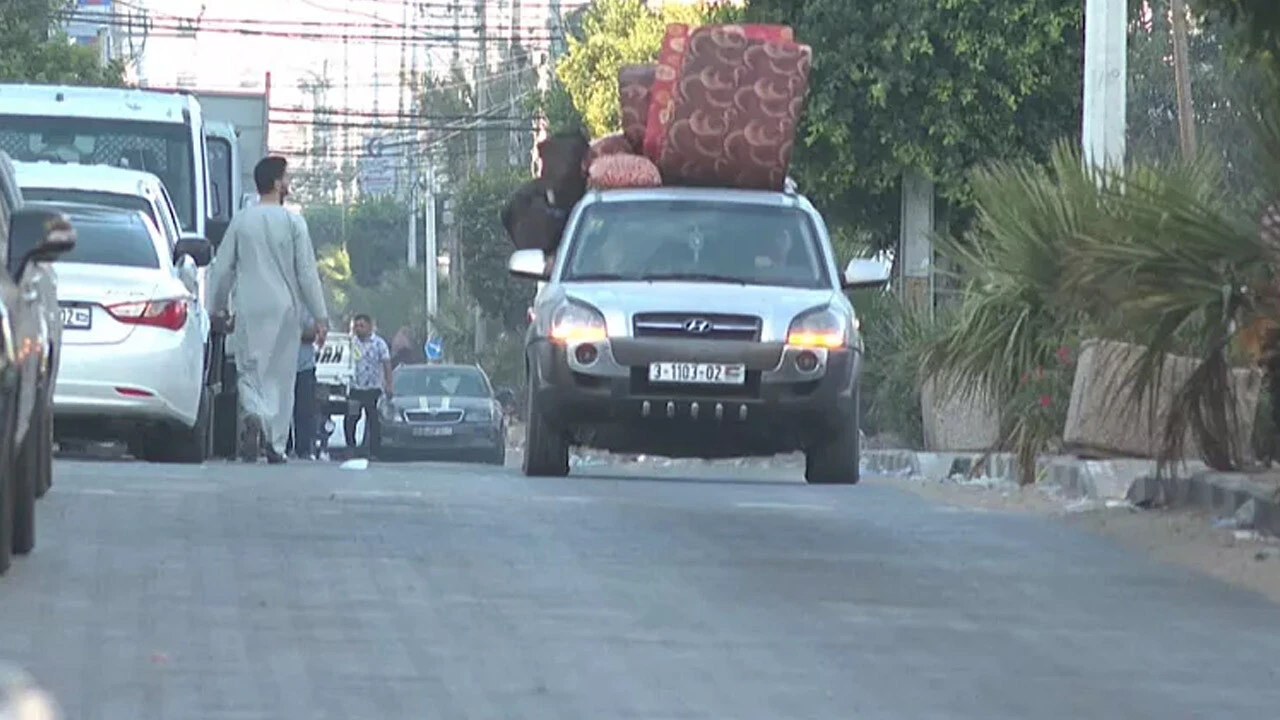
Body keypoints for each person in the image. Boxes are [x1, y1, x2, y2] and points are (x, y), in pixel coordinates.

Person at [207, 155, 329, 464]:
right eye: (287, 177)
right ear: (276, 183)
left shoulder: (242, 220)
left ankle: (254, 416)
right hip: (285, 309)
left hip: (250, 305)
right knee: (281, 376)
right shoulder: (293, 222)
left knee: (249, 370)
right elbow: (306, 273)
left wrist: (216, 307)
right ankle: (275, 444)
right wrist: (320, 316)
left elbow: (222, 269)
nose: (289, 183)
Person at [345, 314, 393, 459]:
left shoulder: (379, 344)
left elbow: (386, 364)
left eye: (362, 326)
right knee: (351, 419)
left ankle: (374, 452)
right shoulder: (351, 343)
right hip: (355, 389)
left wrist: (389, 384)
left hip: (373, 389)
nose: (359, 329)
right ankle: (350, 447)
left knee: (373, 421)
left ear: (369, 327)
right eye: (356, 326)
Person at [290, 309, 319, 460]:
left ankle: (304, 449)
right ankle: (283, 446)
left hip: (304, 367)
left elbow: (312, 334)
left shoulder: (307, 309)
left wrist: (290, 333)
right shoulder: (279, 305)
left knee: (304, 409)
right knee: (282, 409)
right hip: (282, 367)